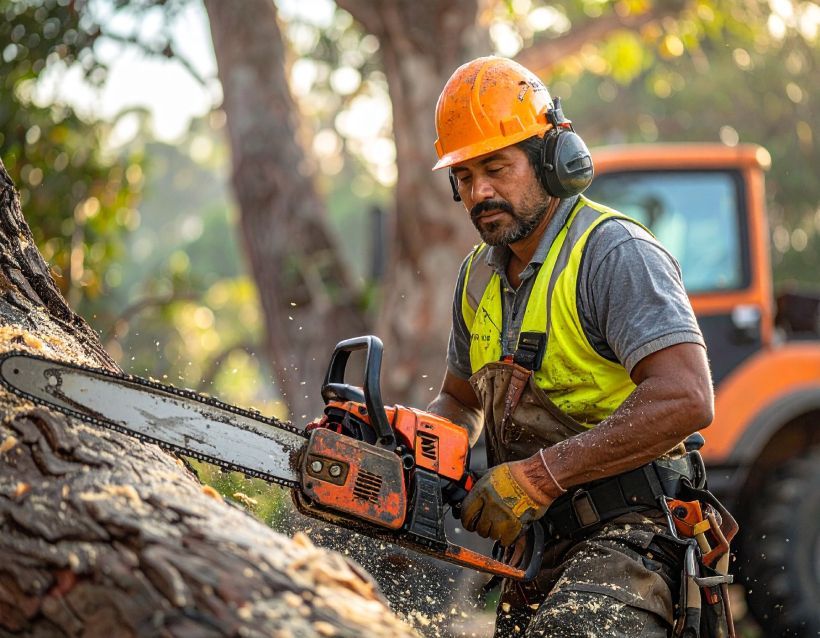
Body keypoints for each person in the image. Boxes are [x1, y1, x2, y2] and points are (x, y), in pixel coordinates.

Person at [426, 56, 715, 637]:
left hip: (632, 532)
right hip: (536, 547)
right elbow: (460, 402)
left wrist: (537, 477)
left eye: (496, 167)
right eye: (464, 175)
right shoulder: (477, 279)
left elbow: (686, 397)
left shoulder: (613, 254)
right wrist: (413, 441)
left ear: (552, 161)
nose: (479, 191)